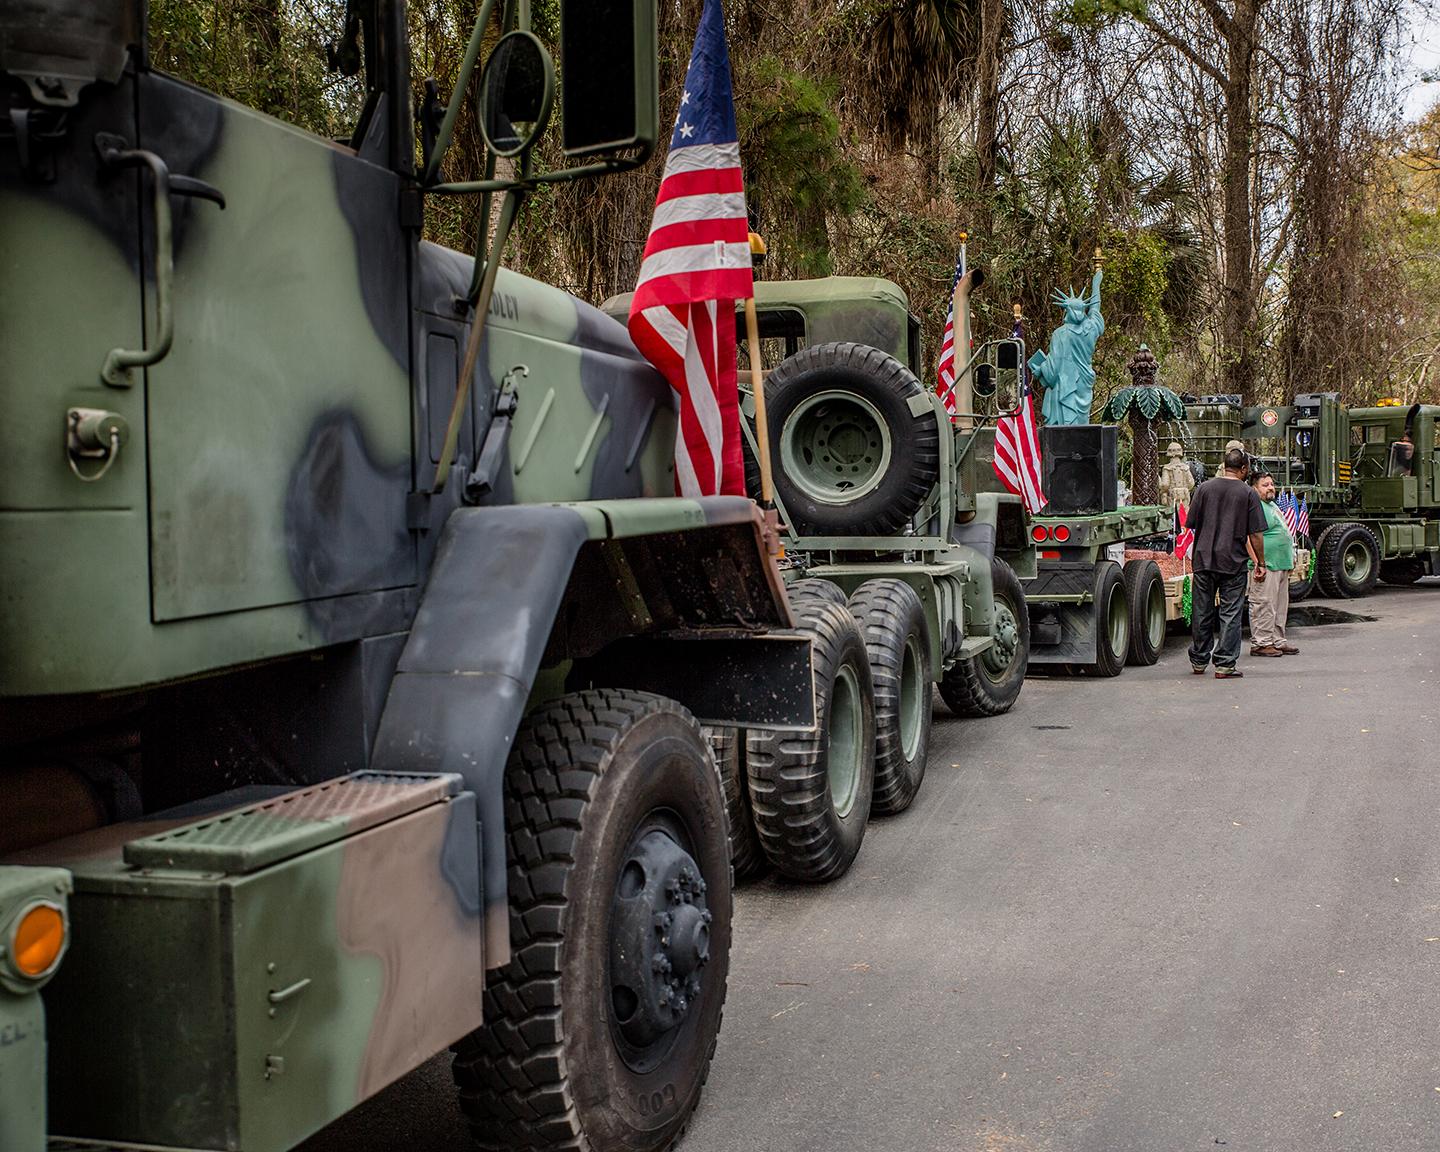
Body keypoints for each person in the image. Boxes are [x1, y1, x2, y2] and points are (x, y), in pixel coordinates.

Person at [1184, 447, 1268, 679]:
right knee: (1230, 613)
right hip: (1233, 561)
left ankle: (1199, 661)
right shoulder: (1248, 493)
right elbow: (1256, 534)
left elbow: (1189, 524)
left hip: (1203, 559)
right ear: (1243, 468)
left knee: (1202, 611)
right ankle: (1224, 664)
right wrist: (1260, 562)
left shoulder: (1204, 488)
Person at [1246, 473, 1299, 657]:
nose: (1270, 488)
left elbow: (1283, 531)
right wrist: (1256, 562)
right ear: (1254, 489)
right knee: (1263, 604)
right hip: (1265, 565)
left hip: (1280, 564)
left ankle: (1277, 640)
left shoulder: (1272, 505)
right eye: (1265, 485)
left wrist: (1290, 556)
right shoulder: (1254, 506)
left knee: (1279, 605)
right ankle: (1261, 643)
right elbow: (1247, 537)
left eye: (1271, 484)